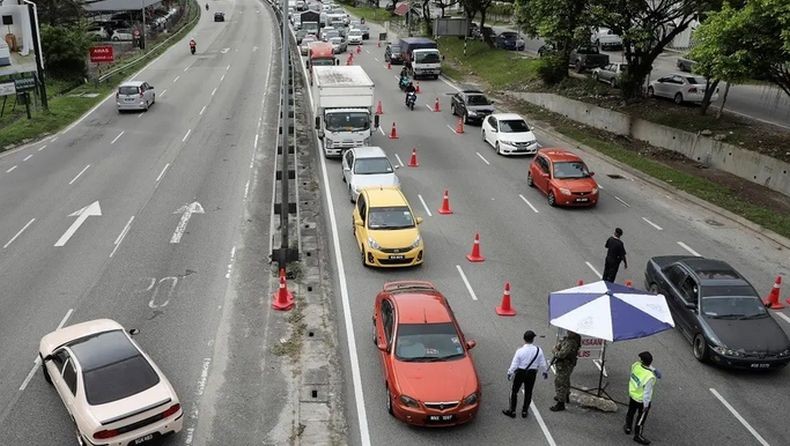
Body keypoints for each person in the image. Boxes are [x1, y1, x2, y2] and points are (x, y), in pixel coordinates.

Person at [503, 330, 548, 419]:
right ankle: (524, 411)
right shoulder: (539, 350)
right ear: (533, 339)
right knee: (528, 392)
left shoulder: (520, 351)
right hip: (532, 373)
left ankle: (512, 410)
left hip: (521, 372)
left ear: (524, 339)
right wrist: (545, 371)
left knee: (514, 391)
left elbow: (514, 364)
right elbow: (543, 363)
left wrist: (510, 372)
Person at [625, 351, 661, 445]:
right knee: (641, 418)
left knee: (631, 412)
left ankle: (628, 427)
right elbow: (647, 393)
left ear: (641, 360)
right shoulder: (650, 376)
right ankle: (638, 435)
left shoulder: (635, 365)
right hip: (641, 400)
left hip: (633, 394)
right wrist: (646, 405)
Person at [549, 330, 581, 412]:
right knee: (566, 380)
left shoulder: (570, 342)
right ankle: (565, 395)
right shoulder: (571, 339)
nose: (568, 332)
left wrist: (554, 350)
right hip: (568, 364)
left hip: (564, 365)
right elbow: (560, 346)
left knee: (560, 382)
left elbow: (561, 354)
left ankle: (561, 403)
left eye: (570, 331)